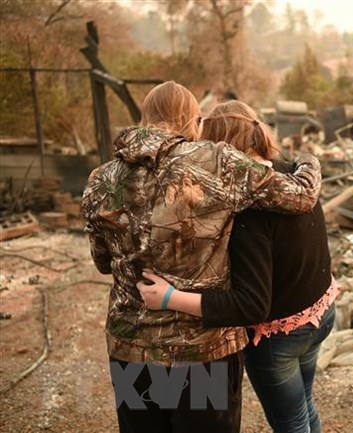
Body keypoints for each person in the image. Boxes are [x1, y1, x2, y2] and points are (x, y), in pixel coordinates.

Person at [81, 81, 322, 433]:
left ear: (145, 118)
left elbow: (103, 262)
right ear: (192, 121)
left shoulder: (100, 180)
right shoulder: (215, 162)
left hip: (132, 348)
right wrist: (309, 160)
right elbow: (301, 195)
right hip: (202, 353)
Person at [137, 100, 340, 433]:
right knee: (304, 408)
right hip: (321, 312)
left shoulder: (248, 211)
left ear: (217, 149)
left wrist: (169, 297)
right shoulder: (291, 175)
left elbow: (251, 305)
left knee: (291, 423)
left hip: (279, 335)